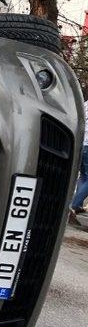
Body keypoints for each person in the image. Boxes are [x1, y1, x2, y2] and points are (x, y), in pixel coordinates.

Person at [69, 91, 88, 227]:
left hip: (81, 144)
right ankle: (73, 206)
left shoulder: (85, 105)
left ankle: (78, 204)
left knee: (84, 176)